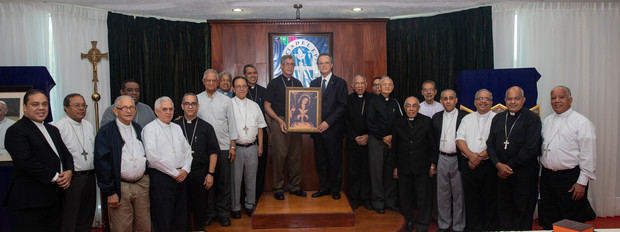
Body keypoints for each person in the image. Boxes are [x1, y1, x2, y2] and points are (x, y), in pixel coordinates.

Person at [4, 89, 74, 232]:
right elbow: (26, 161)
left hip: (55, 198)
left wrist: (68, 171)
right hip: (31, 201)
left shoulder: (52, 129)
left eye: (45, 104)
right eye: (35, 104)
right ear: (25, 107)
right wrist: (56, 177)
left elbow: (66, 155)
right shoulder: (16, 130)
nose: (41, 108)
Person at [538, 86, 596, 229]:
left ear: (570, 100)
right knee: (548, 218)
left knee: (571, 221)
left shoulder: (582, 122)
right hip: (547, 177)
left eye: (561, 97)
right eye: (553, 98)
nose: (557, 101)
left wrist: (582, 183)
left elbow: (589, 155)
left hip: (570, 179)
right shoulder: (546, 121)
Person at [487, 86, 541, 230]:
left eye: (516, 98)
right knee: (503, 207)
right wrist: (498, 164)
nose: (513, 102)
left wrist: (508, 166)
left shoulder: (532, 119)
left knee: (522, 208)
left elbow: (531, 148)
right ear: (505, 100)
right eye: (509, 99)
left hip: (523, 173)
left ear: (523, 100)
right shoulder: (498, 118)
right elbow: (490, 144)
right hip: (500, 173)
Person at [94, 95, 150, 232]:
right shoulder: (106, 132)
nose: (128, 111)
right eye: (124, 108)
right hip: (120, 187)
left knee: (144, 225)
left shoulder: (138, 128)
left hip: (141, 184)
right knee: (122, 227)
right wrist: (110, 191)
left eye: (131, 107)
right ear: (115, 111)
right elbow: (102, 164)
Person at [142, 96, 193, 231]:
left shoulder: (177, 128)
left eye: (171, 109)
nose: (168, 112)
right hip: (161, 179)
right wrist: (175, 173)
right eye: (164, 109)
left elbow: (188, 151)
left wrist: (186, 170)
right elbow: (153, 158)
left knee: (181, 216)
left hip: (181, 177)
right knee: (164, 217)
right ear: (156, 111)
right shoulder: (149, 129)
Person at [197, 69, 238, 227]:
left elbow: (232, 124)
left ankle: (223, 213)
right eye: (209, 80)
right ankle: (210, 213)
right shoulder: (197, 99)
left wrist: (232, 146)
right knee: (207, 183)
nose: (212, 83)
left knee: (223, 183)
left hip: (223, 147)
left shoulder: (226, 100)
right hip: (204, 150)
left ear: (218, 82)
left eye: (215, 80)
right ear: (203, 81)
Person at [174, 93, 219, 231]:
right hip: (180, 172)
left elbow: (213, 152)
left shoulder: (206, 127)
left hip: (200, 172)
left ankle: (199, 228)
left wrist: (210, 173)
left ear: (198, 106)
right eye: (187, 104)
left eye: (193, 104)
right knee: (182, 205)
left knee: (201, 205)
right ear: (182, 106)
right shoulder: (174, 126)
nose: (190, 107)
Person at [264, 55, 306, 200]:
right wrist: (278, 120)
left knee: (295, 156)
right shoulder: (274, 83)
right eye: (287, 64)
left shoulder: (298, 83)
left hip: (296, 123)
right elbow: (267, 106)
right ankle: (278, 188)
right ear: (281, 66)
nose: (289, 67)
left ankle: (295, 187)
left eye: (292, 64)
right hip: (279, 121)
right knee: (280, 156)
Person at [391, 96, 436, 232]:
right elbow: (395, 147)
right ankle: (408, 220)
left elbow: (433, 145)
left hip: (422, 166)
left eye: (414, 106)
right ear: (405, 108)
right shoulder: (398, 122)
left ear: (418, 107)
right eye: (408, 106)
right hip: (404, 166)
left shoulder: (426, 121)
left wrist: (433, 164)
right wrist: (395, 167)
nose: (411, 109)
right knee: (406, 197)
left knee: (423, 197)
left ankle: (422, 223)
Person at [455, 89, 497, 231]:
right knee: (471, 199)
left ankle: (488, 227)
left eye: (486, 99)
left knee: (489, 198)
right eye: (480, 98)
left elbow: (497, 143)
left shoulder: (497, 118)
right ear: (474, 102)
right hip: (469, 165)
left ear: (491, 102)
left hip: (489, 165)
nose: (483, 101)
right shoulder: (467, 118)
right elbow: (459, 139)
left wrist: (479, 157)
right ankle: (473, 227)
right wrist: (472, 156)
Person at [54, 93, 96, 232]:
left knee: (87, 216)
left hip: (90, 177)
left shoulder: (88, 125)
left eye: (83, 105)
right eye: (76, 105)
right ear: (66, 108)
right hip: (73, 180)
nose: (81, 108)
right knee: (70, 218)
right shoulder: (59, 127)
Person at [309, 54, 348, 200]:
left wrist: (328, 122)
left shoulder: (340, 83)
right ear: (317, 66)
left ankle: (335, 189)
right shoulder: (313, 83)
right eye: (320, 63)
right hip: (317, 131)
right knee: (321, 161)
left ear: (332, 65)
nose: (323, 65)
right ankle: (324, 188)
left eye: (326, 63)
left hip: (333, 130)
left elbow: (342, 106)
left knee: (334, 161)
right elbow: (310, 106)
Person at [230, 76, 267, 218]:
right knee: (235, 179)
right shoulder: (229, 105)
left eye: (244, 86)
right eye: (238, 86)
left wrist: (260, 146)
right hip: (236, 148)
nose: (241, 88)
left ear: (247, 87)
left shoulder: (254, 105)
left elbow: (260, 127)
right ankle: (235, 207)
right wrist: (231, 147)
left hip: (252, 147)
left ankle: (250, 204)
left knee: (251, 178)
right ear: (233, 89)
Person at [366, 76, 403, 214]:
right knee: (376, 172)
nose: (387, 87)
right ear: (379, 87)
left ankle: (390, 201)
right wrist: (383, 137)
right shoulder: (373, 102)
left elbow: (400, 122)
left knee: (389, 171)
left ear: (393, 87)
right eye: (384, 85)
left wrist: (392, 137)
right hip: (377, 141)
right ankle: (378, 202)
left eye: (390, 85)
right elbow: (370, 122)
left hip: (392, 141)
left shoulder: (395, 103)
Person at [431, 89, 467, 232]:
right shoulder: (436, 117)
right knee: (442, 195)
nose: (448, 101)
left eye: (451, 98)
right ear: (441, 101)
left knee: (459, 195)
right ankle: (444, 224)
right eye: (445, 98)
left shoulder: (465, 117)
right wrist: (433, 162)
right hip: (441, 158)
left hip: (458, 159)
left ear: (456, 100)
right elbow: (433, 142)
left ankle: (459, 226)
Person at [345, 75, 372, 209]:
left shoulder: (372, 99)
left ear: (366, 84)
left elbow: (375, 120)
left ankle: (366, 198)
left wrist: (368, 135)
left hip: (369, 142)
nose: (360, 86)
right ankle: (355, 198)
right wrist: (355, 137)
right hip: (353, 142)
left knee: (367, 171)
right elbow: (345, 121)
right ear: (352, 85)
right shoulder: (348, 100)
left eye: (362, 83)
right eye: (357, 83)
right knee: (354, 171)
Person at [243, 64, 269, 199]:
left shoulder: (264, 91)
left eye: (255, 73)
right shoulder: (241, 91)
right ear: (245, 76)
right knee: (245, 168)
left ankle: (257, 196)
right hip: (244, 134)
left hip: (261, 133)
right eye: (249, 73)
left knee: (261, 166)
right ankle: (245, 197)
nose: (253, 75)